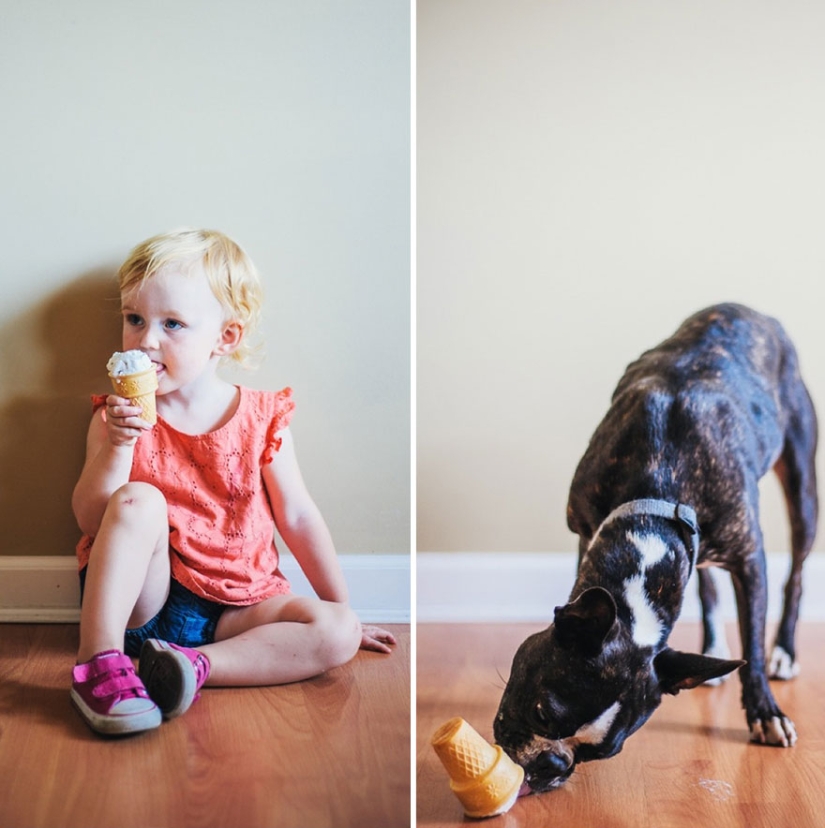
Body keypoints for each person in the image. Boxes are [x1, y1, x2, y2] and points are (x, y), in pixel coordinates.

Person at [70, 228, 396, 736]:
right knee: (139, 499)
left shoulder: (262, 420)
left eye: (172, 323)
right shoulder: (119, 418)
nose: (147, 340)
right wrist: (118, 445)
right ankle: (98, 662)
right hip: (145, 602)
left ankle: (190, 666)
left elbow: (298, 516)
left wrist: (341, 608)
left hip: (239, 608)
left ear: (225, 338)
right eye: (134, 319)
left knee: (339, 632)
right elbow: (92, 521)